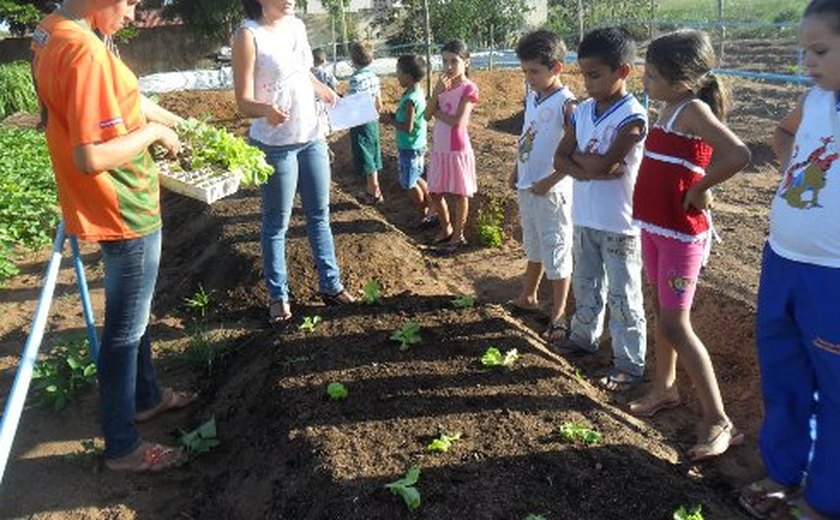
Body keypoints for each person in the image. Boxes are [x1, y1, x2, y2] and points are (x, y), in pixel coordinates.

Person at [31, 0, 196, 472]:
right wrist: (151, 136)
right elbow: (91, 156)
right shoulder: (84, 51)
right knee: (125, 330)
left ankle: (146, 397)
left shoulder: (51, 32)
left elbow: (120, 101)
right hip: (123, 206)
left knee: (135, 317)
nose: (132, 14)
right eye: (128, 3)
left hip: (102, 202)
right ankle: (122, 445)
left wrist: (180, 125)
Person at [628, 29, 751, 461]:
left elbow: (737, 155)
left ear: (682, 78)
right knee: (662, 313)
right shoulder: (667, 108)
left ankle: (719, 419)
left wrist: (701, 188)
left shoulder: (693, 109)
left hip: (681, 235)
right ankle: (665, 386)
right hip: (655, 228)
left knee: (677, 323)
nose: (646, 81)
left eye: (653, 75)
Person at [739, 1, 840, 518]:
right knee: (784, 375)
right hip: (782, 261)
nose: (808, 63)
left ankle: (826, 500)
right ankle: (783, 472)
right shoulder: (816, 99)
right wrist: (794, 174)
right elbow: (782, 135)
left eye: (820, 50)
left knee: (836, 388)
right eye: (805, 51)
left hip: (833, 278)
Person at [232, 0, 355, 324]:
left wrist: (324, 91)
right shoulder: (248, 35)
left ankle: (331, 286)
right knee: (276, 223)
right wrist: (265, 111)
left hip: (311, 135)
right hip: (276, 145)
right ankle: (278, 296)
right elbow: (242, 101)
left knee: (319, 215)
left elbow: (302, 75)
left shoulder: (297, 27)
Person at [552, 27, 647, 392]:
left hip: (619, 223)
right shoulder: (583, 111)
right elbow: (561, 158)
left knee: (623, 295)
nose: (587, 83)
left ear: (622, 71)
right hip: (585, 216)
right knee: (587, 283)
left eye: (594, 75)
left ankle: (629, 363)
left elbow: (610, 164)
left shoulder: (632, 117)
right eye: (584, 74)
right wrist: (591, 169)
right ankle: (583, 338)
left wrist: (585, 165)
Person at [507, 29, 577, 347]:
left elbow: (574, 152)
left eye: (534, 71)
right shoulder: (534, 97)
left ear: (556, 68)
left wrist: (549, 181)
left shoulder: (568, 105)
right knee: (534, 244)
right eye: (525, 71)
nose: (529, 77)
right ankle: (528, 295)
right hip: (528, 185)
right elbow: (528, 135)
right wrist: (515, 169)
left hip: (552, 193)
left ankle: (560, 315)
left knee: (557, 250)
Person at [424, 39, 479, 250]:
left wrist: (436, 111)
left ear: (466, 61)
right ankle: (446, 228)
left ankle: (458, 235)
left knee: (459, 194)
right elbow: (424, 115)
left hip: (457, 150)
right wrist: (437, 92)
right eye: (444, 61)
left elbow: (458, 121)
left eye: (454, 61)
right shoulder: (443, 86)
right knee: (435, 192)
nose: (448, 66)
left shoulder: (469, 88)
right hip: (440, 149)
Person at [381, 54, 435, 227]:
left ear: (408, 76)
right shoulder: (416, 93)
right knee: (417, 175)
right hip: (417, 145)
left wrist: (390, 121)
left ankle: (422, 214)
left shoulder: (411, 100)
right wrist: (394, 115)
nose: (396, 75)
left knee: (408, 182)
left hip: (409, 147)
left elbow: (408, 127)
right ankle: (430, 204)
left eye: (398, 72)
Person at [347, 40, 384, 204]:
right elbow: (379, 103)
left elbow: (353, 103)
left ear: (353, 60)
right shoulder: (373, 76)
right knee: (373, 152)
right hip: (372, 120)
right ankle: (375, 189)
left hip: (361, 121)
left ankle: (373, 191)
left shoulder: (356, 79)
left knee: (365, 155)